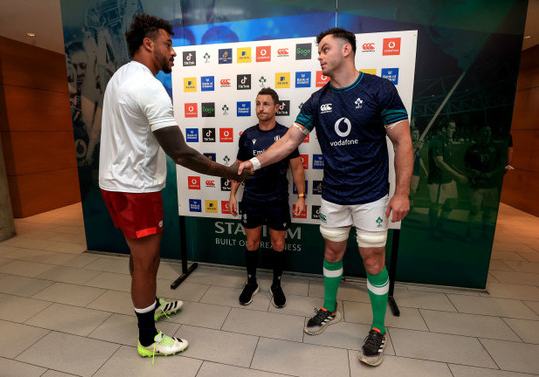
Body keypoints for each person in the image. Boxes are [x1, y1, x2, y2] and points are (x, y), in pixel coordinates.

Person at [237, 27, 413, 367]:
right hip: (333, 196)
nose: (319, 55)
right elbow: (289, 141)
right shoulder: (318, 100)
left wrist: (402, 192)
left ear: (346, 50)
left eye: (324, 49)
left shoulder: (380, 89)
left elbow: (403, 142)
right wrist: (254, 163)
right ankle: (328, 307)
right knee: (332, 252)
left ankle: (378, 328)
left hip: (372, 195)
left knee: (373, 260)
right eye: (318, 50)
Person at [98, 14, 250, 361]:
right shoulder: (149, 86)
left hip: (117, 183)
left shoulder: (122, 75)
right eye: (168, 44)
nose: (174, 52)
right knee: (146, 262)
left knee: (140, 259)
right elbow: (180, 153)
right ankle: (148, 339)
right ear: (148, 44)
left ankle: (151, 305)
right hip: (135, 188)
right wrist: (229, 173)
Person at [229, 88, 306, 309]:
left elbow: (297, 169)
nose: (260, 108)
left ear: (276, 108)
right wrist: (233, 194)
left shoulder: (286, 135)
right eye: (258, 103)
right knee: (251, 242)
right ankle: (251, 282)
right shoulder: (248, 135)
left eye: (266, 104)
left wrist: (301, 197)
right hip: (252, 198)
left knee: (278, 243)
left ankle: (276, 285)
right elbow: (238, 168)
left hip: (277, 199)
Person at [427, 119, 467, 237]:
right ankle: (433, 231)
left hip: (448, 179)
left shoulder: (447, 141)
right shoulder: (436, 142)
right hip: (438, 180)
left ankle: (439, 225)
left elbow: (449, 163)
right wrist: (458, 176)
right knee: (436, 205)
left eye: (454, 128)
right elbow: (439, 163)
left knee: (453, 202)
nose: (454, 130)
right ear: (444, 129)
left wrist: (459, 172)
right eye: (452, 128)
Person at [464, 126, 503, 239]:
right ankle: (469, 231)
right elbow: (466, 166)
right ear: (480, 133)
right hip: (477, 185)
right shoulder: (472, 149)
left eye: (489, 131)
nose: (488, 133)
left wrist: (491, 173)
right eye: (485, 131)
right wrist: (472, 171)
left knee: (488, 210)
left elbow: (501, 166)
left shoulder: (495, 148)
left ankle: (484, 232)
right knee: (474, 209)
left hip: (491, 185)